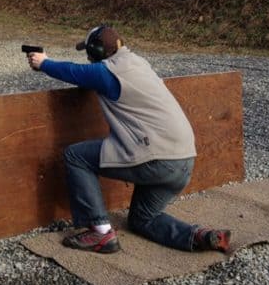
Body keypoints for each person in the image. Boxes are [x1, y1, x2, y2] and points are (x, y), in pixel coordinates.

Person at [27, 25, 230, 254]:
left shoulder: (107, 73)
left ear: (96, 51)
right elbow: (88, 76)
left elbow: (73, 72)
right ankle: (200, 236)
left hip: (156, 159)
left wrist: (43, 62)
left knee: (76, 156)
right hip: (184, 160)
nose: (87, 56)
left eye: (89, 51)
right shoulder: (139, 63)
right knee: (143, 219)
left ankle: (101, 234)